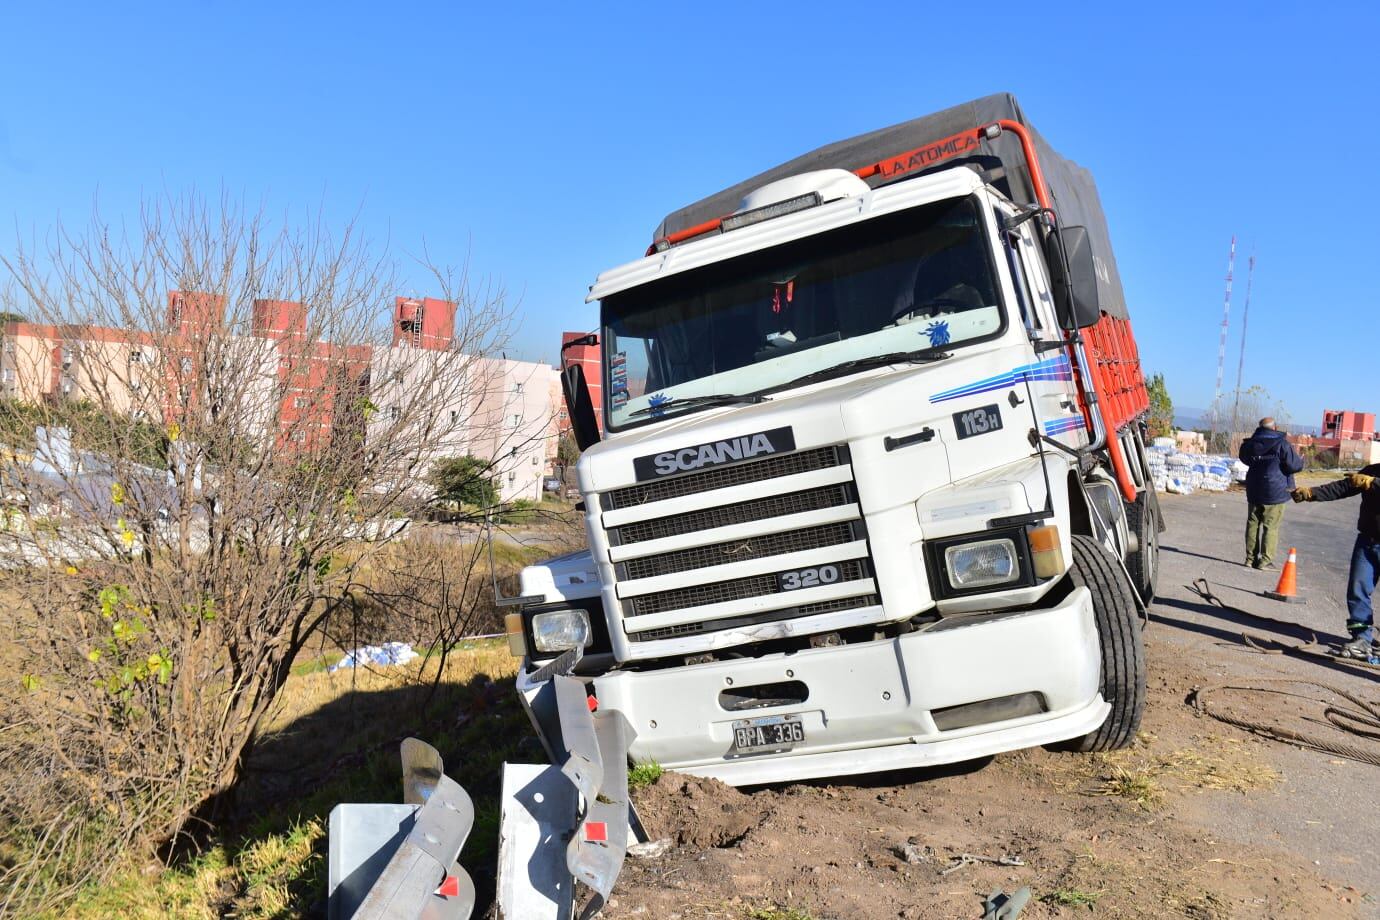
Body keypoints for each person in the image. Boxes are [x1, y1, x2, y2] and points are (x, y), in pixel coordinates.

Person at [1293, 466, 1380, 659]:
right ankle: (1362, 639)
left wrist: (1373, 484)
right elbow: (1342, 487)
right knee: (1357, 590)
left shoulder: (1371, 478)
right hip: (1368, 540)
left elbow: (1370, 483)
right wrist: (1311, 493)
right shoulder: (1372, 471)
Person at [1238, 418, 1305, 569]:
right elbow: (1294, 465)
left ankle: (1250, 559)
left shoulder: (1250, 443)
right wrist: (1301, 460)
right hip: (1276, 490)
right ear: (1275, 428)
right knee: (1271, 526)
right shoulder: (1282, 444)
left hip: (1254, 488)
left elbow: (1244, 458)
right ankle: (1265, 561)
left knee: (1252, 524)